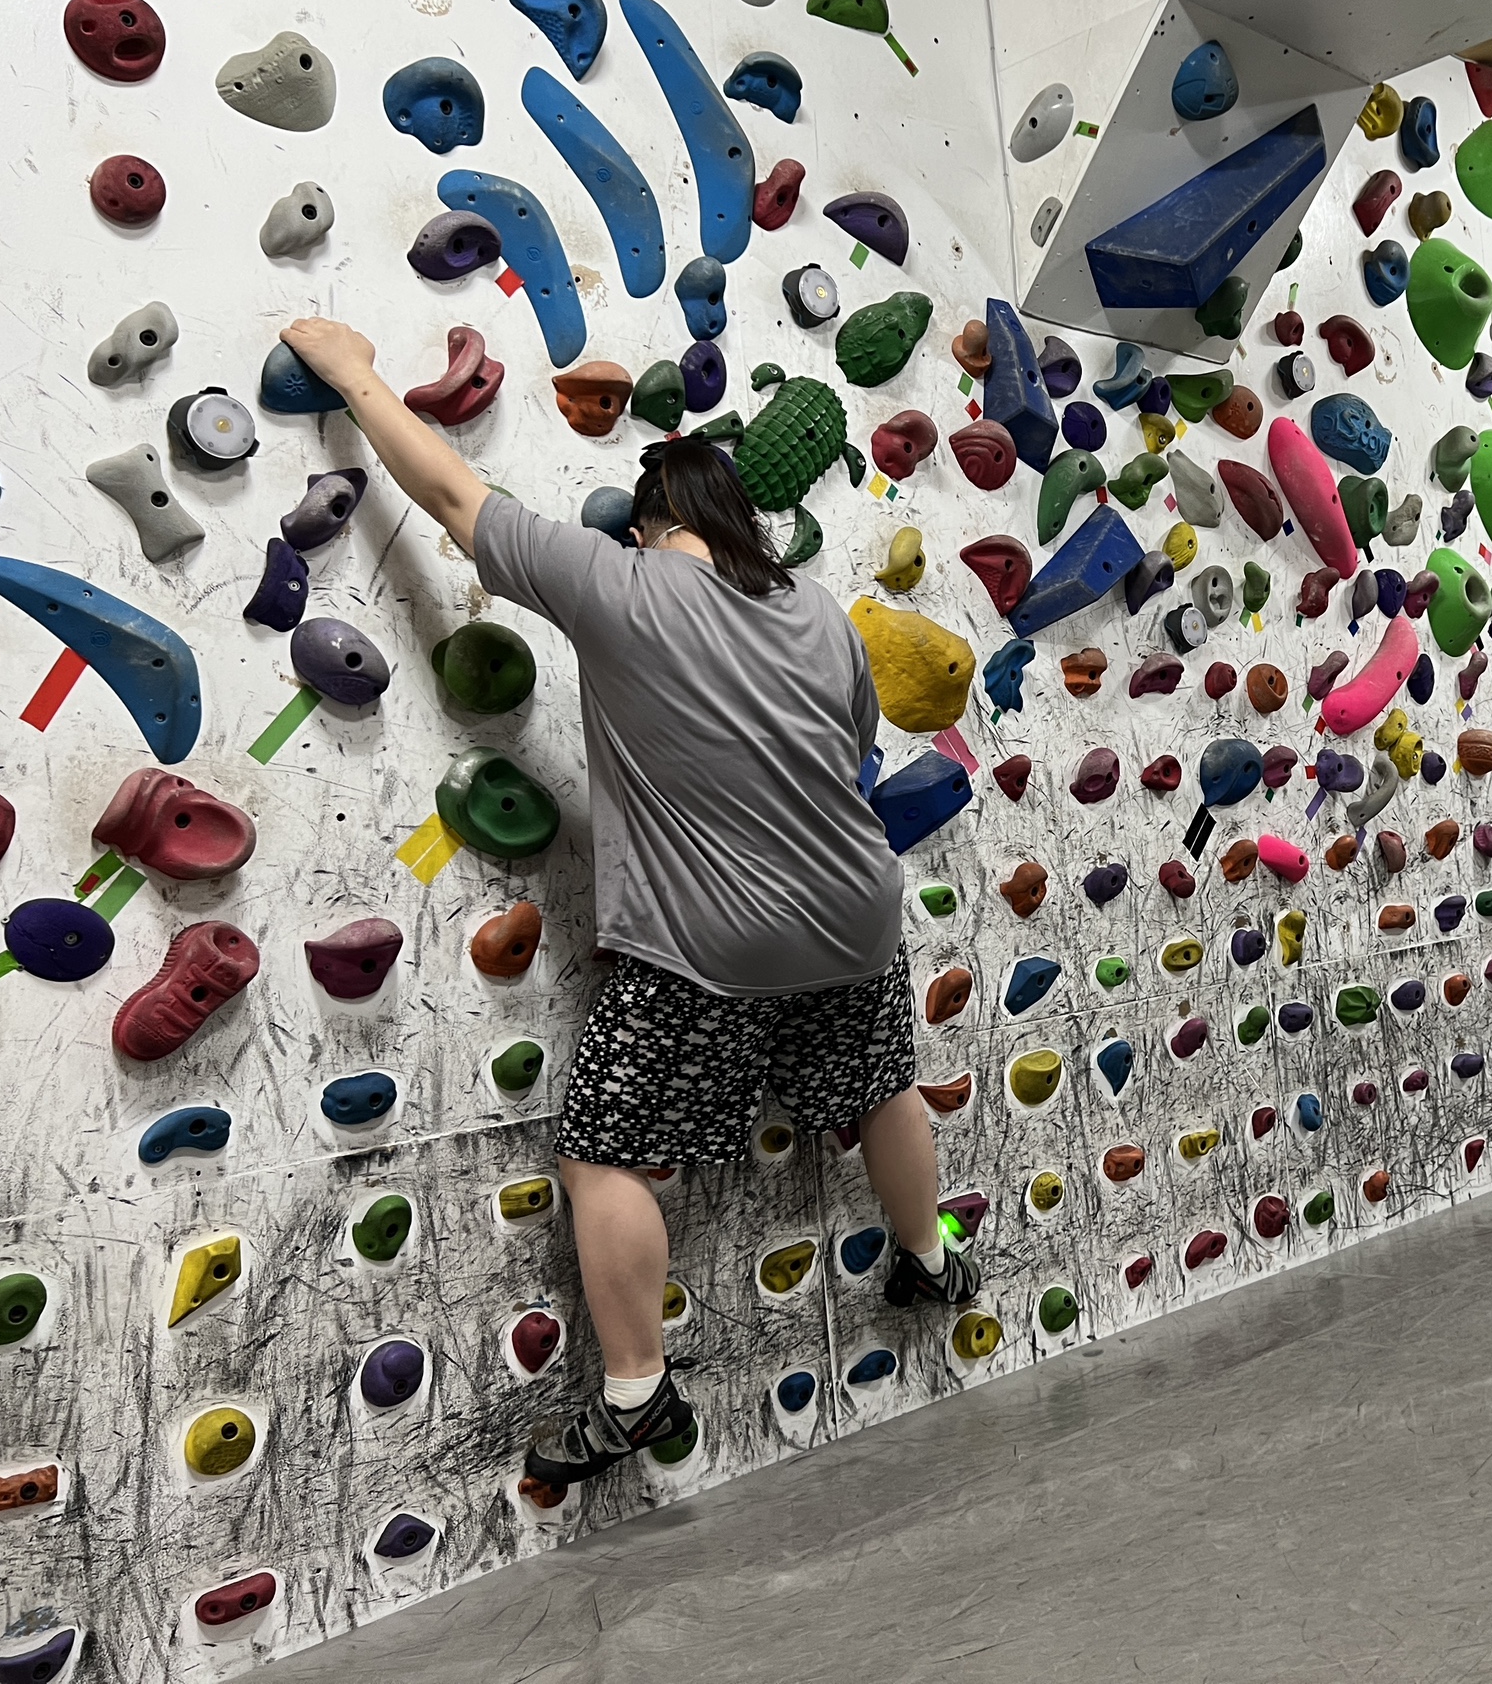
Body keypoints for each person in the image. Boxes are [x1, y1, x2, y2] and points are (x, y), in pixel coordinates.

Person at [278, 319, 979, 1493]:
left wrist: (354, 372)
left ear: (652, 526)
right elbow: (852, 749)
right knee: (879, 1082)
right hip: (856, 910)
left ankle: (635, 1390)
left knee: (605, 1149)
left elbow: (452, 497)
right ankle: (928, 1255)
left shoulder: (622, 582)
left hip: (710, 939)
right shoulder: (818, 610)